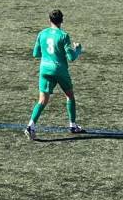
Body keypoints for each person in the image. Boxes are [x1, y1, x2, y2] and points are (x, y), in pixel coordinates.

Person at [24, 9, 85, 140]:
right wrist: (78, 50)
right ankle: (73, 125)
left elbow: (36, 54)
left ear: (49, 20)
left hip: (44, 70)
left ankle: (31, 125)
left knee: (42, 100)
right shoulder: (64, 36)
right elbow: (71, 57)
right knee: (70, 96)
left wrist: (47, 53)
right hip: (60, 70)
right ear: (62, 20)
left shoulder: (42, 34)